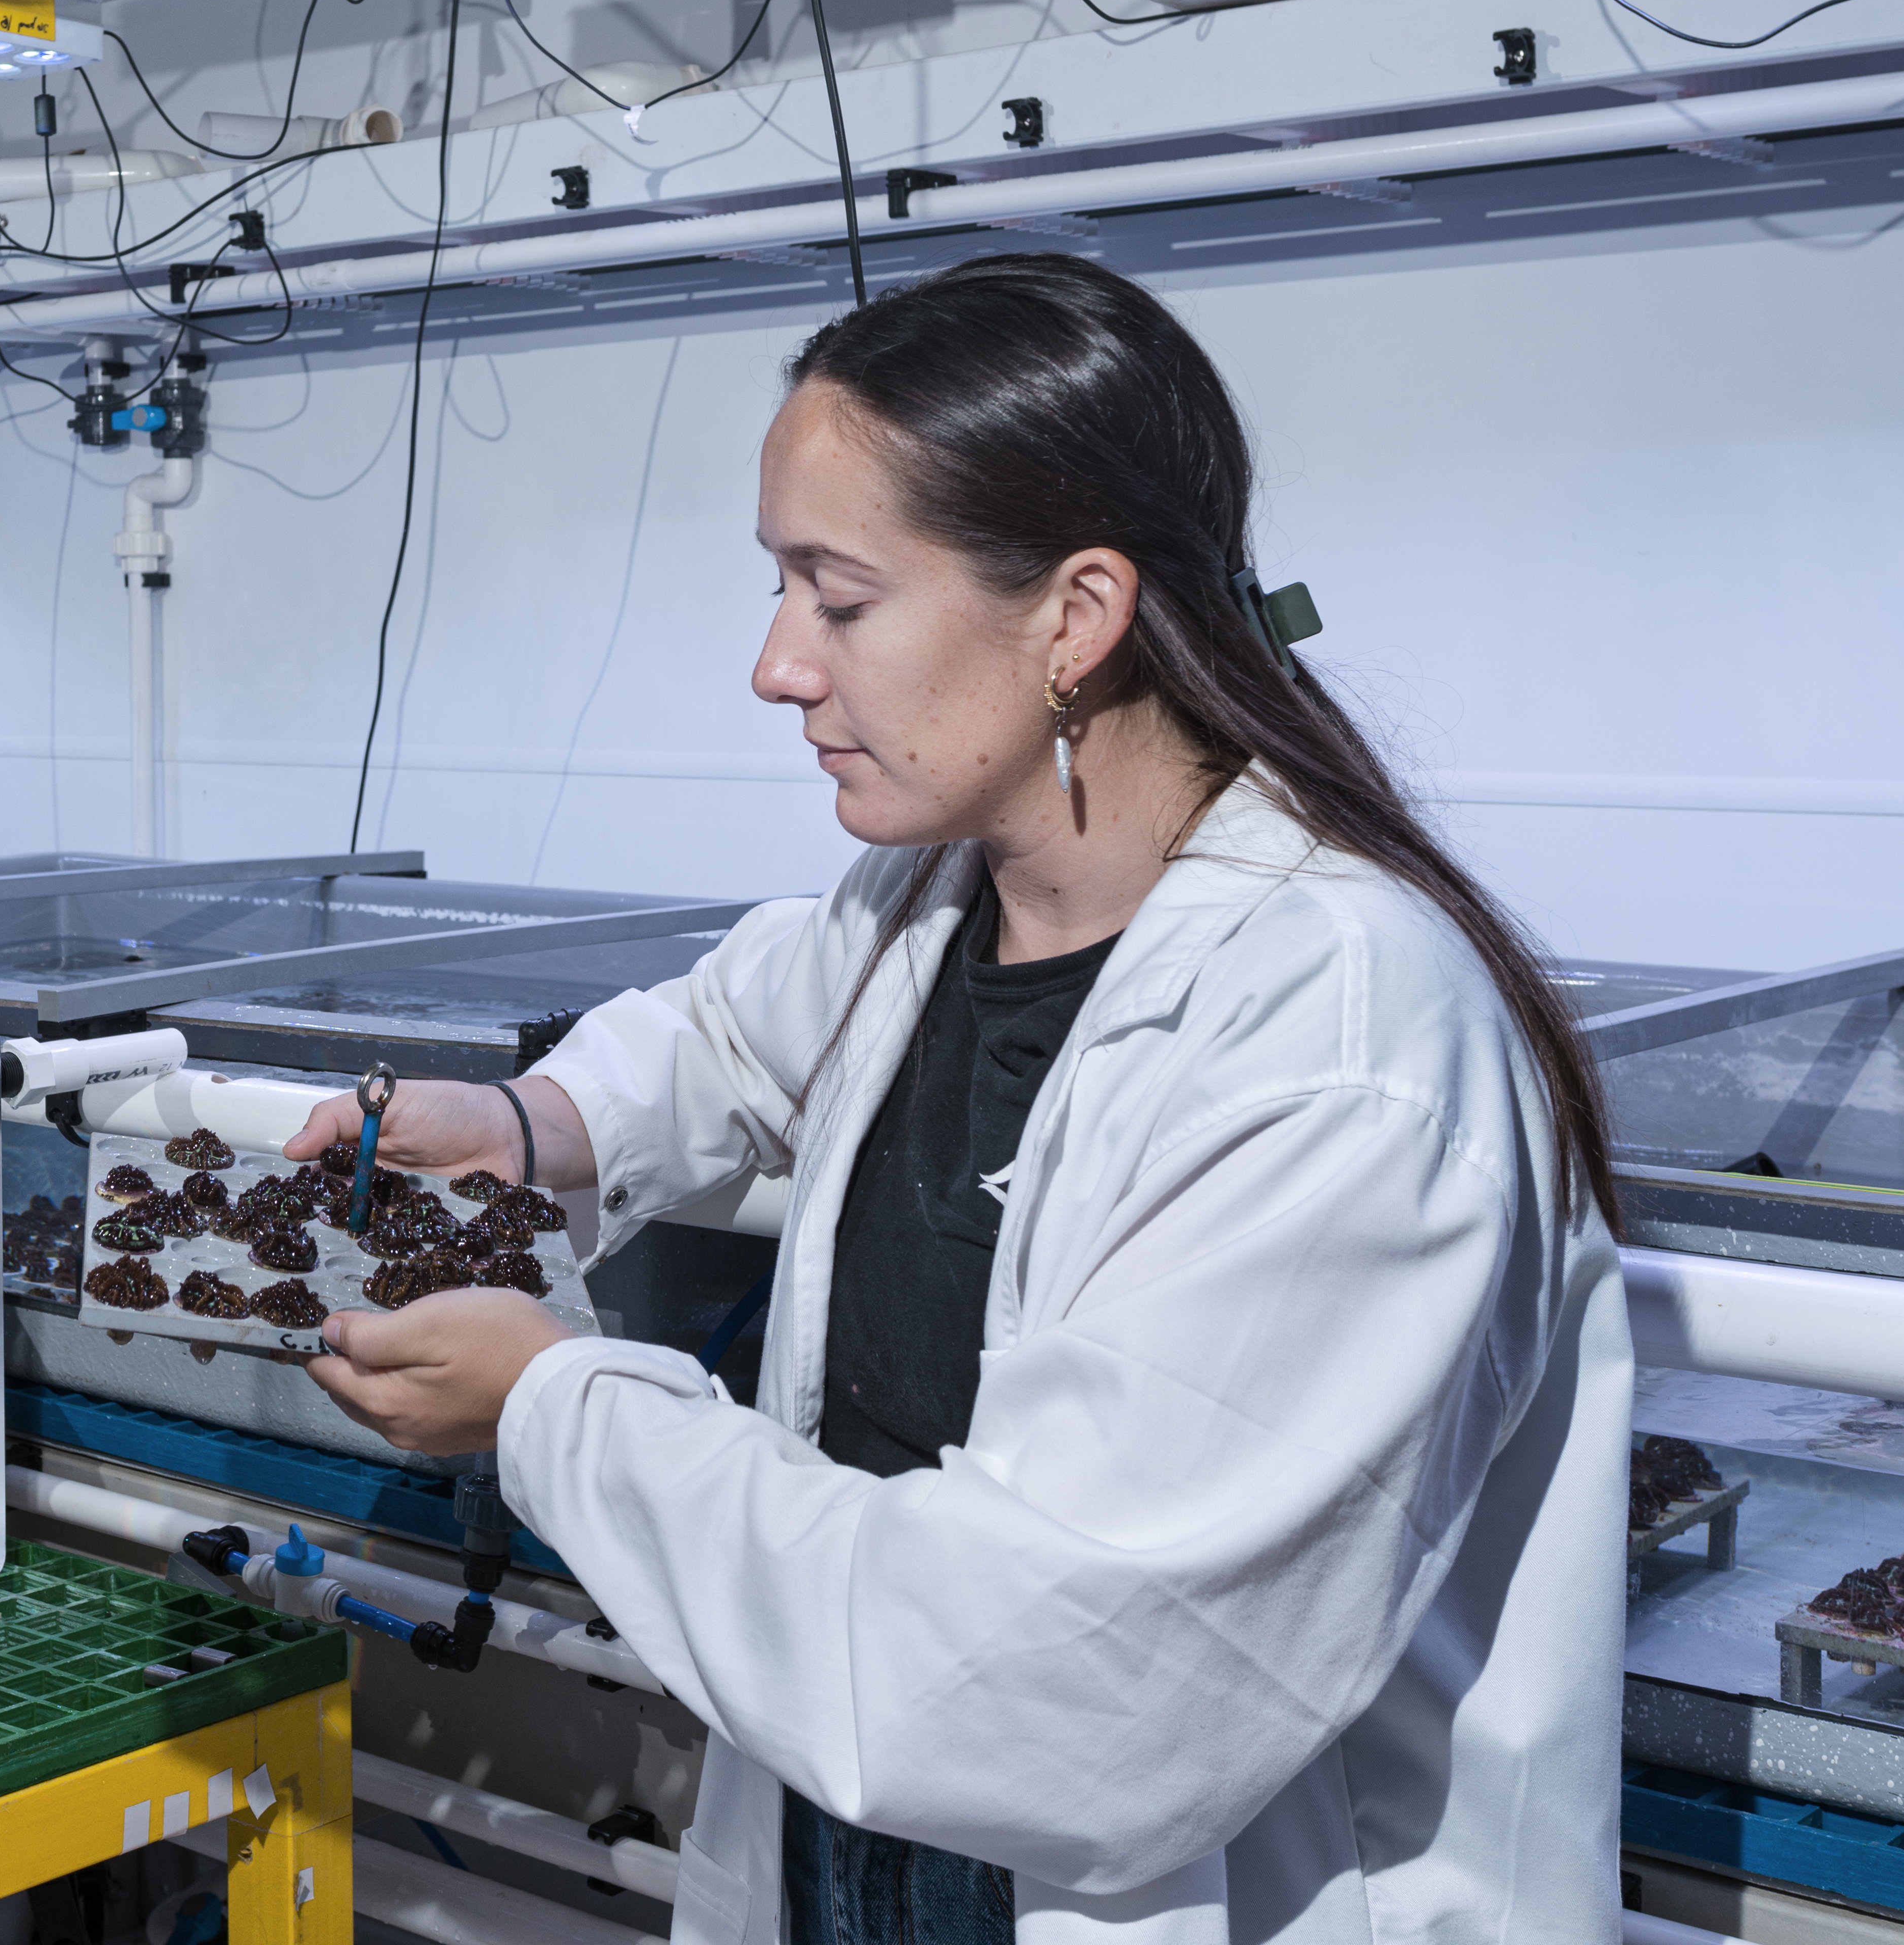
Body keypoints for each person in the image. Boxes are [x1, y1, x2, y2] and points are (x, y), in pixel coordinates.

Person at [293, 256, 1630, 1945]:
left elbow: (1055, 1686)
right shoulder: (931, 904)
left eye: (838, 600)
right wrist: (528, 1125)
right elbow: (726, 1039)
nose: (780, 666)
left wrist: (554, 1405)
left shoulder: (1336, 1040)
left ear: (1074, 615)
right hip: (871, 1871)